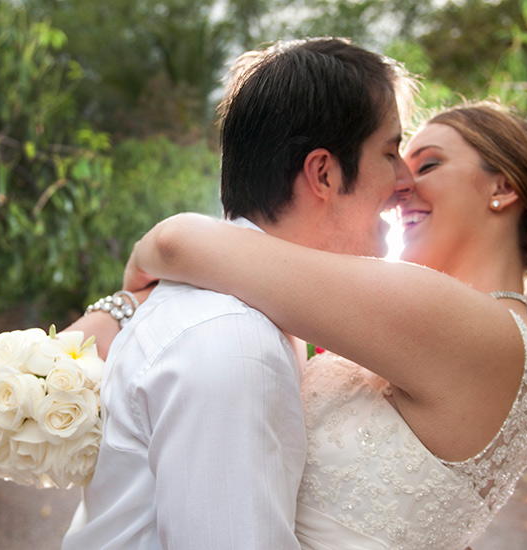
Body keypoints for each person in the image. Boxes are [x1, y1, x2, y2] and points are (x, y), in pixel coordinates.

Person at [121, 103, 527, 549]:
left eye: (427, 164)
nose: (401, 184)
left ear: (502, 189)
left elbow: (175, 243)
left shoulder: (469, 325)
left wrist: (130, 287)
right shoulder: (484, 333)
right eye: (397, 161)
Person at [60, 38, 416, 549]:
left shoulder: (248, 312)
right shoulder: (235, 340)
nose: (404, 179)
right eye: (389, 152)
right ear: (323, 173)